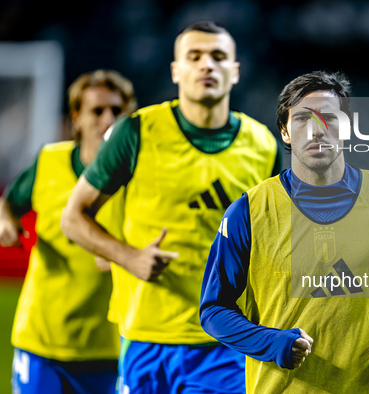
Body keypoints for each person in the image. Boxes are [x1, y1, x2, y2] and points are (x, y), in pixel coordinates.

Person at [61, 21, 281, 393]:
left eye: (218, 56)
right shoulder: (136, 132)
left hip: (224, 344)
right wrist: (127, 257)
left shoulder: (263, 144)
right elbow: (72, 217)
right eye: (194, 57)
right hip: (144, 340)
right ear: (176, 71)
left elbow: (277, 241)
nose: (206, 65)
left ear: (236, 71)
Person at [199, 71, 369, 393]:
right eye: (302, 119)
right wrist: (270, 342)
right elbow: (214, 309)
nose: (317, 129)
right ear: (285, 132)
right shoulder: (248, 212)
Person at [0, 69, 136, 394]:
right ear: (76, 118)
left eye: (117, 111)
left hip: (106, 346)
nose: (108, 119)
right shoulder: (49, 161)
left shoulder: (139, 177)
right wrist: (5, 222)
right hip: (41, 338)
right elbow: (9, 203)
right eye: (97, 110)